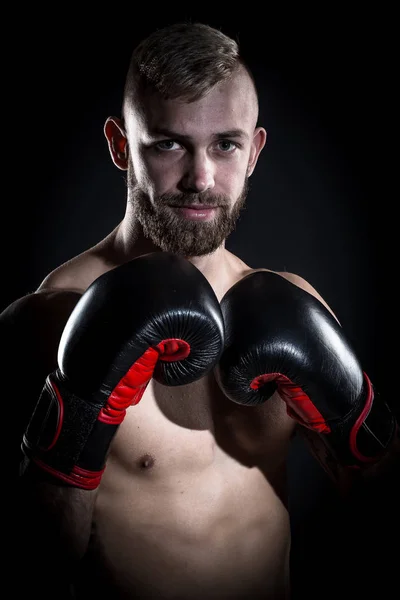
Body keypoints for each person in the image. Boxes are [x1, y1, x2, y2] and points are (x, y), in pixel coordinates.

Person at [5, 21, 398, 600]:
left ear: (255, 150)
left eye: (225, 144)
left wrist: (367, 430)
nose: (201, 178)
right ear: (120, 146)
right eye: (169, 144)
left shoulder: (297, 303)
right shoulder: (53, 321)